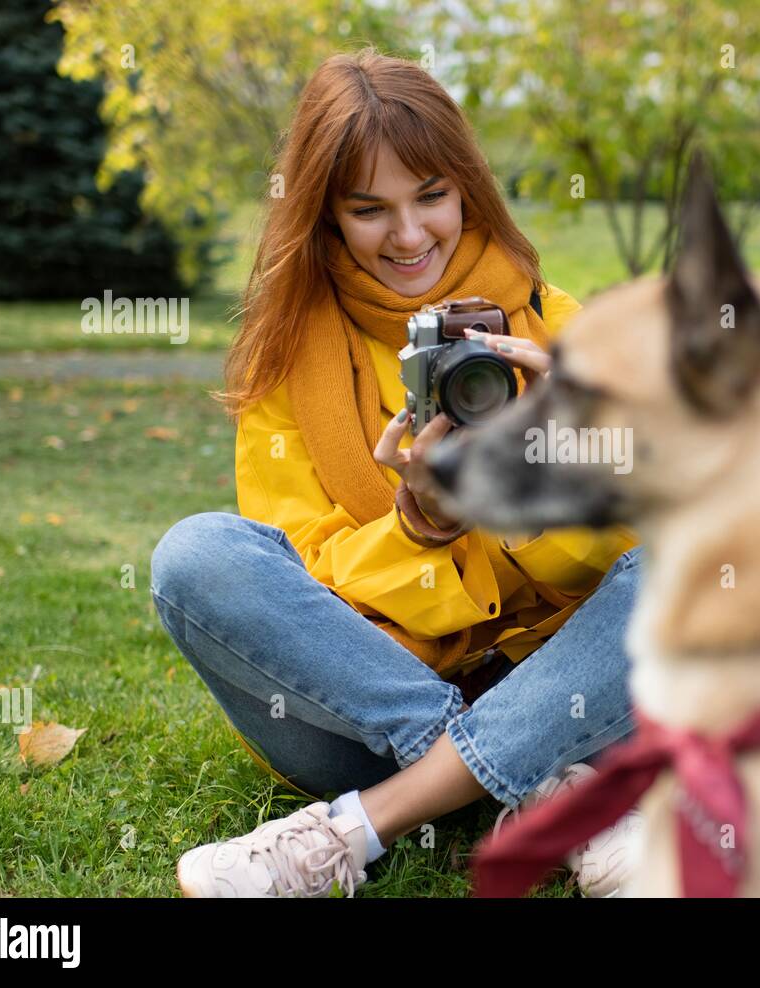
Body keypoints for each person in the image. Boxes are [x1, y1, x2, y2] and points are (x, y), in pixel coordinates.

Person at [149, 48, 644, 898]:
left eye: (432, 197)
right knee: (196, 556)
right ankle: (535, 785)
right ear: (325, 215)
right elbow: (307, 589)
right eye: (369, 208)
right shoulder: (284, 366)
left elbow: (633, 559)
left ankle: (359, 828)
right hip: (367, 712)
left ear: (467, 190)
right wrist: (418, 526)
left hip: (566, 688)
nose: (409, 236)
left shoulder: (559, 332)